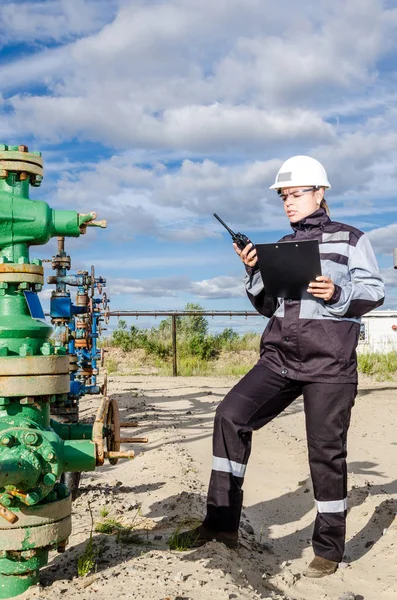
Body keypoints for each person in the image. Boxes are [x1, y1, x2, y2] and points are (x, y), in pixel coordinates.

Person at [175, 155, 385, 578]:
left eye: (295, 194)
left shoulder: (351, 239)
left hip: (329, 365)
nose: (288, 202)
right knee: (230, 416)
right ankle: (221, 528)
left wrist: (337, 290)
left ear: (320, 192)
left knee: (325, 453)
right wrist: (253, 272)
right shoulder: (283, 247)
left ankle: (328, 548)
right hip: (280, 359)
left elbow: (375, 290)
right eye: (284, 196)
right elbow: (269, 305)